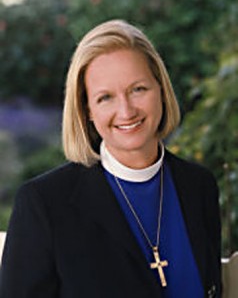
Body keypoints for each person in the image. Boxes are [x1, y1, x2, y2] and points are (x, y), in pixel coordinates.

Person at [0, 20, 221, 298]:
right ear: (87, 110)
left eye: (138, 89)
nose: (126, 111)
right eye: (105, 98)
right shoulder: (44, 204)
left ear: (161, 90)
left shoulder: (199, 186)